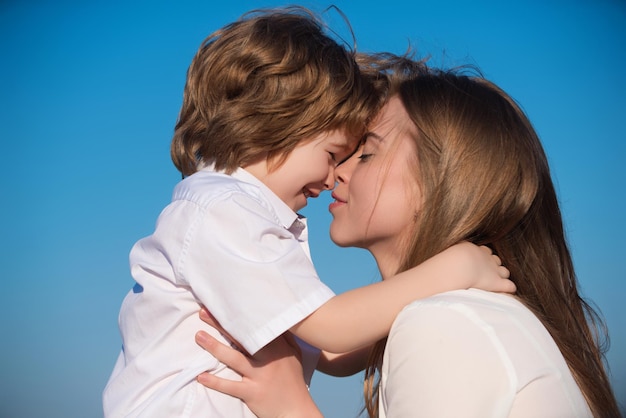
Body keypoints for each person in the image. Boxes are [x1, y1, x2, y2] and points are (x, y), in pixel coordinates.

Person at [102, 9, 513, 418]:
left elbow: (330, 350)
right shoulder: (221, 210)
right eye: (333, 155)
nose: (333, 177)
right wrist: (454, 268)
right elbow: (331, 328)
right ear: (277, 122)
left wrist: (419, 307)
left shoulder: (241, 216)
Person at [195, 57, 621, 417]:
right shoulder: (458, 315)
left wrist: (292, 407)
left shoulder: (445, 322)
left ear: (444, 178)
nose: (337, 173)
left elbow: (332, 332)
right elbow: (331, 346)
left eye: (367, 153)